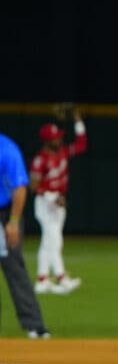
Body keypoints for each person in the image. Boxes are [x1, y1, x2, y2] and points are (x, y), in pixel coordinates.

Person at [29, 106, 87, 294]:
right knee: (54, 240)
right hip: (45, 203)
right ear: (48, 140)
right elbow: (33, 186)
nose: (59, 138)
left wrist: (78, 121)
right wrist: (50, 196)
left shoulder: (62, 152)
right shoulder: (41, 159)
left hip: (58, 202)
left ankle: (42, 279)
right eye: (56, 137)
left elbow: (81, 145)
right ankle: (62, 279)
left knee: (49, 242)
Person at [0, 132, 52, 339]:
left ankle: (34, 325)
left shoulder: (6, 149)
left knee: (14, 267)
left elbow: (20, 187)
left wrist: (13, 222)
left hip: (5, 214)